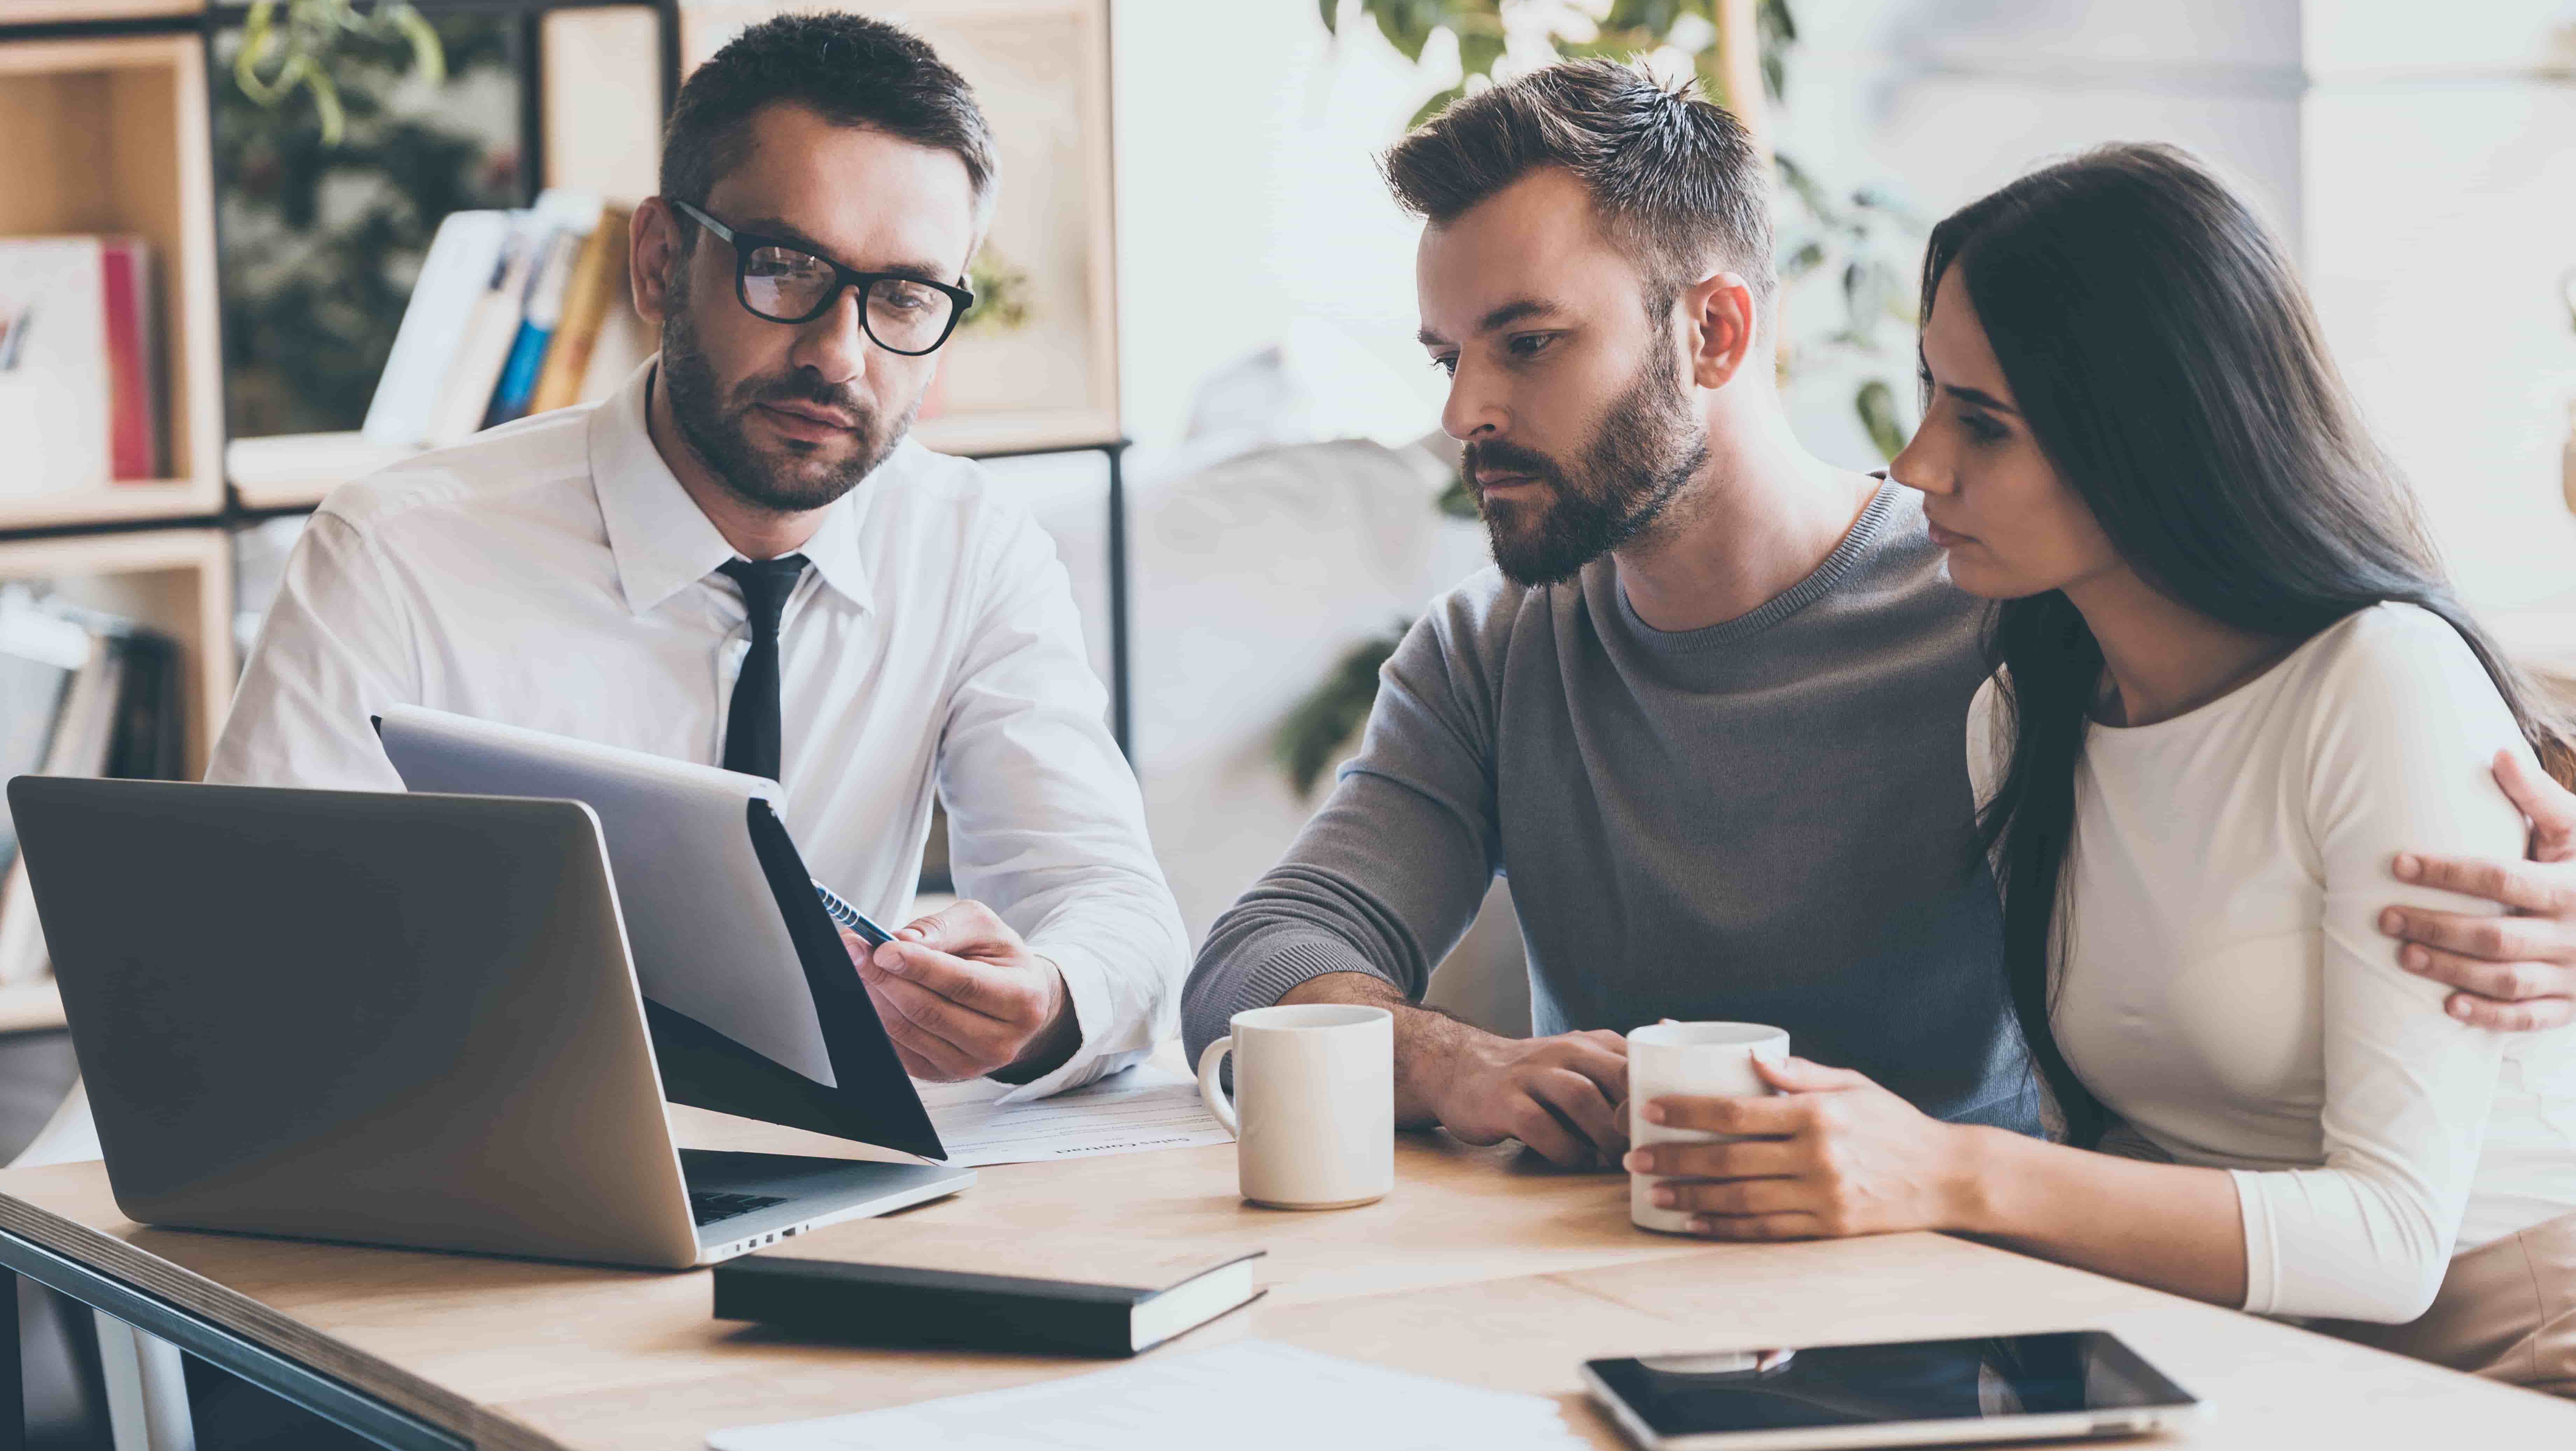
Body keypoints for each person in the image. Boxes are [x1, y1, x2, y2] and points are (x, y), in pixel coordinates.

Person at [1180, 60, 2576, 1168]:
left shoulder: (2010, 593)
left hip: (1996, 1306)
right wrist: (1450, 1058)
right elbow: (1257, 960)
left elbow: (2352, 676)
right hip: (1626, 1294)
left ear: (1715, 333)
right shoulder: (1488, 654)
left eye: (1528, 343)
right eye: (1448, 354)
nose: (1464, 412)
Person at [1626, 144, 2576, 1393]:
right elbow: (2112, 1153)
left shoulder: (2379, 682)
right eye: (1933, 398)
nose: (1916, 467)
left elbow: (2394, 1245)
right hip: (2212, 1352)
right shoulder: (2022, 719)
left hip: (2497, 1348)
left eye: (1982, 423)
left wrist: (1943, 1171)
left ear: (2149, 435)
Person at [209, 13, 1185, 1100]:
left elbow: (1116, 908)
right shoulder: (397, 554)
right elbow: (255, 960)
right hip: (467, 1152)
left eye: (904, 296)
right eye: (785, 267)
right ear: (662, 260)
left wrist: (1048, 999)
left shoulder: (970, 547)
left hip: (830, 1191)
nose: (838, 354)